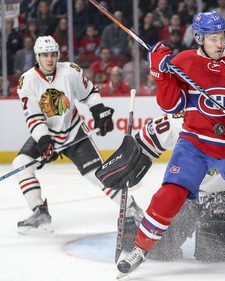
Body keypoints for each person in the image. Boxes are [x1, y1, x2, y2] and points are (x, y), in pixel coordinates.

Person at [117, 10, 225, 276]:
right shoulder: (184, 62)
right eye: (213, 38)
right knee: (169, 195)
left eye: (222, 37)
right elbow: (172, 105)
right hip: (195, 143)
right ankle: (140, 249)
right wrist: (160, 73)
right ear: (199, 38)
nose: (220, 43)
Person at [12, 36, 141, 234]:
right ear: (38, 57)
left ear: (58, 55)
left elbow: (88, 93)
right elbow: (34, 117)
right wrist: (44, 141)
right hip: (47, 135)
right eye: (45, 55)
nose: (50, 59)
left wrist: (99, 111)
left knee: (98, 175)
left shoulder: (70, 71)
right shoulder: (27, 81)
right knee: (21, 163)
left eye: (53, 54)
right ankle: (40, 212)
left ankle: (132, 207)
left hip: (74, 133)